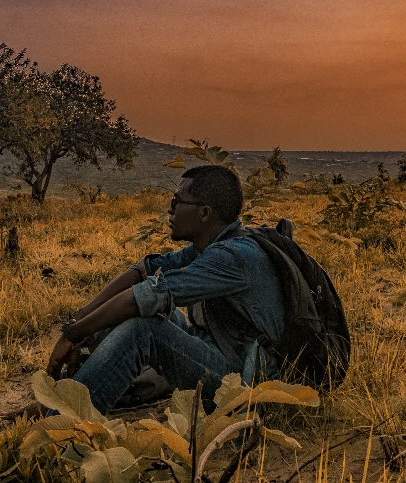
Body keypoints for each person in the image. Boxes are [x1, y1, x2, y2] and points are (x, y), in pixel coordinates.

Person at [46, 164, 285, 414]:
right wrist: (84, 316)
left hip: (241, 382)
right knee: (114, 313)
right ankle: (88, 384)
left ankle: (60, 426)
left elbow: (145, 296)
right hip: (218, 347)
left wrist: (72, 334)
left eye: (177, 200)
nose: (170, 209)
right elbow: (143, 271)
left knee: (142, 329)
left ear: (204, 213)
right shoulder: (216, 242)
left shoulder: (231, 256)